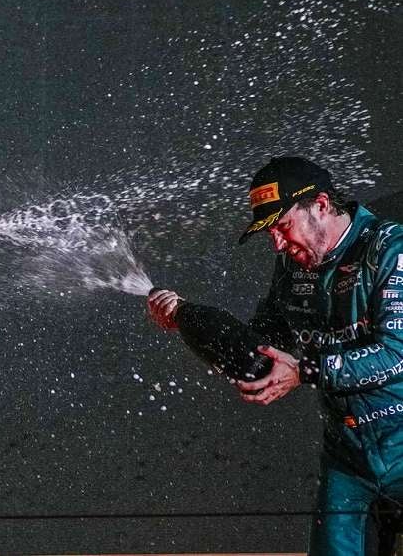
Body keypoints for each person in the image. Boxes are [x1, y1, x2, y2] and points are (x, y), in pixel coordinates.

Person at [148, 156, 403, 555]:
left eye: (283, 226)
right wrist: (187, 318)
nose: (278, 243)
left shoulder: (390, 249)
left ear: (320, 205)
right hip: (349, 459)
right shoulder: (291, 266)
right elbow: (259, 350)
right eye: (271, 233)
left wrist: (303, 370)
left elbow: (396, 354)